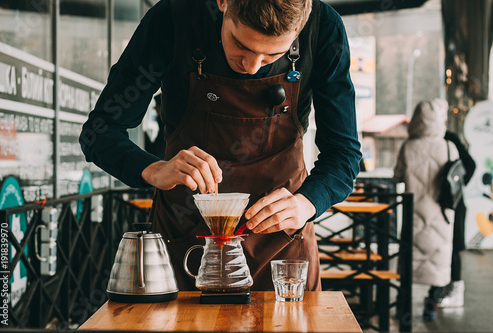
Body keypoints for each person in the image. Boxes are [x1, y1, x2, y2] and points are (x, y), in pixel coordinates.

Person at [79, 0, 361, 291]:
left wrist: (306, 203)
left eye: (271, 56)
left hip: (281, 248)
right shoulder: (173, 18)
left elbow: (343, 155)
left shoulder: (323, 28)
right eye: (241, 46)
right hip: (185, 238)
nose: (251, 68)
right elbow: (100, 132)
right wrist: (151, 169)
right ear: (223, 3)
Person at [394, 99, 458, 321]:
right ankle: (431, 304)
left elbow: (398, 175)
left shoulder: (408, 146)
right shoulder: (450, 146)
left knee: (410, 260)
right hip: (442, 214)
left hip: (414, 213)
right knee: (438, 262)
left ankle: (404, 310)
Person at [437, 130, 475, 307]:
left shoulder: (448, 138)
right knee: (445, 247)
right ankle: (446, 288)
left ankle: (456, 291)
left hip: (454, 203)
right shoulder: (443, 138)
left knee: (453, 247)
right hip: (445, 203)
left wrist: (455, 184)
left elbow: (470, 164)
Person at [144, 93, 166, 159]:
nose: (155, 108)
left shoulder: (165, 126)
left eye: (157, 106)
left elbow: (158, 150)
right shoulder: (163, 123)